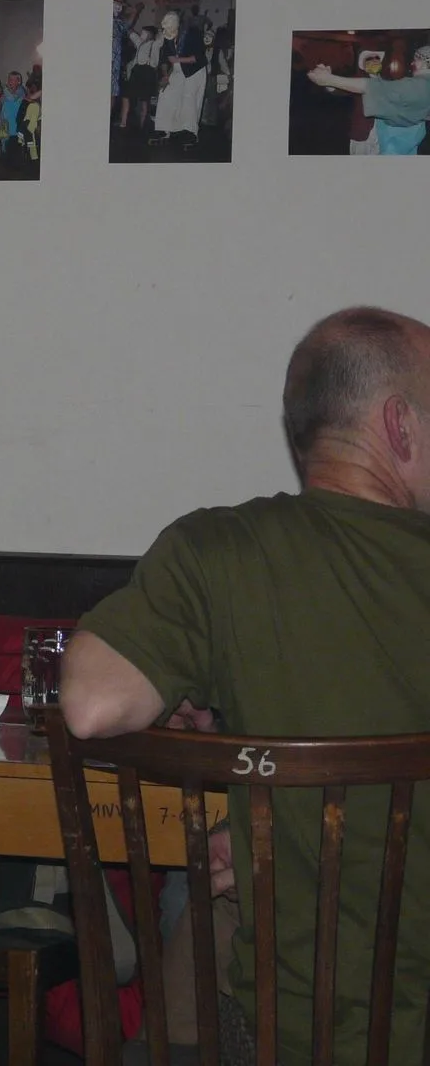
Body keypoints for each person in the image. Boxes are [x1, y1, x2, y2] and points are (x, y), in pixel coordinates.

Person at [62, 306, 430, 1066]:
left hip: (278, 1031)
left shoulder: (220, 553)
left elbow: (93, 706)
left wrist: (266, 817)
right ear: (401, 426)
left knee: (203, 917)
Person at [310, 44, 430, 156]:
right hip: (362, 134)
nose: (374, 62)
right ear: (363, 64)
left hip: (381, 136)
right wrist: (329, 84)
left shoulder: (387, 81)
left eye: (376, 59)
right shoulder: (357, 80)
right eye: (370, 60)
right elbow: (338, 90)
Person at [149, 11, 206, 149]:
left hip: (194, 70)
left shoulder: (193, 34)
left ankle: (190, 132)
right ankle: (164, 129)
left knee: (189, 100)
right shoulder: (168, 37)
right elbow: (165, 58)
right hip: (178, 69)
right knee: (166, 94)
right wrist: (165, 76)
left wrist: (178, 59)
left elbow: (199, 58)